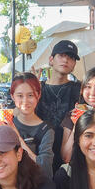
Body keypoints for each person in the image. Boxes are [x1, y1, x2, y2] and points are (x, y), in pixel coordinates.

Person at [35, 40, 81, 170]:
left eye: (71, 57)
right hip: (40, 155)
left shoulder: (80, 90)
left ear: (74, 65)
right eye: (61, 55)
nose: (66, 60)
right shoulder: (38, 90)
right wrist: (31, 91)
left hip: (70, 158)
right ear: (51, 60)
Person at [7, 72, 55, 178]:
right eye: (20, 96)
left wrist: (18, 138)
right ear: (12, 96)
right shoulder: (7, 124)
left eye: (30, 95)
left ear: (38, 95)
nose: (25, 101)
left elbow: (45, 169)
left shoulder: (46, 130)